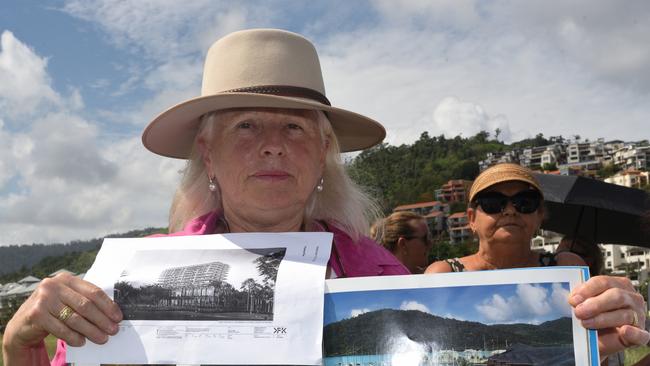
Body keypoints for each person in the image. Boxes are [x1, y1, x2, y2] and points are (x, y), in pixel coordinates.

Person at [2, 28, 409, 365]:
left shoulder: (383, 277)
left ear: (323, 155)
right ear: (208, 155)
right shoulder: (128, 281)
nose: (272, 145)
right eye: (246, 126)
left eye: (293, 126)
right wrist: (19, 348)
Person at [425, 163, 649, 360]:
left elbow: (590, 352)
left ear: (540, 215)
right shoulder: (442, 273)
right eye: (493, 203)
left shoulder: (566, 266)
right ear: (472, 219)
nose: (510, 210)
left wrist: (610, 331)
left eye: (525, 202)